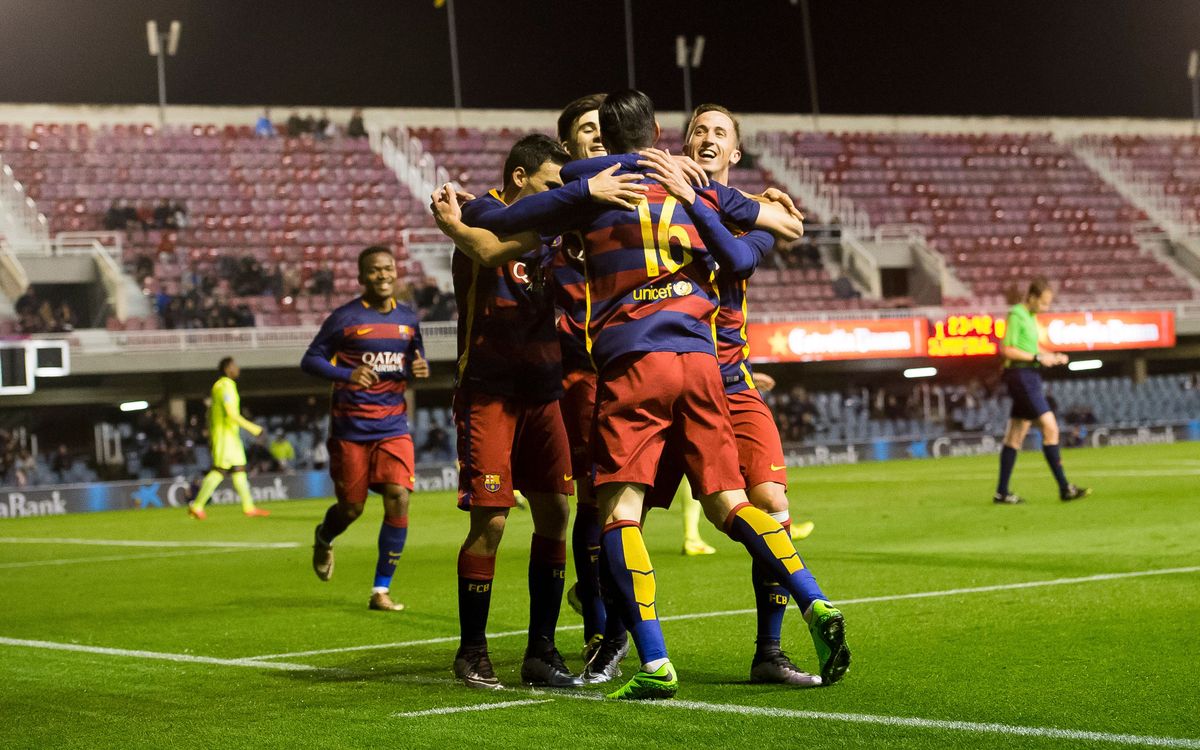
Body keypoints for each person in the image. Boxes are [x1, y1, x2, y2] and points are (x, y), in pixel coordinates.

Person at [431, 90, 848, 700]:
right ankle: (811, 598)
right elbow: (762, 240)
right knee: (729, 503)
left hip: (637, 364)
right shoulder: (693, 185)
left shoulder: (583, 191)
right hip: (694, 365)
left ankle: (653, 658)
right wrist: (748, 209)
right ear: (660, 133)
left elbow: (499, 220)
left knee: (616, 512)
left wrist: (575, 190)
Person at [441, 134, 642, 691]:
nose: (558, 194)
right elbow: (488, 251)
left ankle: (541, 651)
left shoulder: (550, 228)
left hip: (544, 388)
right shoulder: (480, 210)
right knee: (492, 518)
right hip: (489, 389)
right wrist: (456, 227)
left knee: (555, 513)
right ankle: (472, 652)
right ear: (519, 177)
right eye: (551, 184)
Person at [301, 245, 429, 612]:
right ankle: (324, 536)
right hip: (351, 428)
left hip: (393, 425)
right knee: (351, 509)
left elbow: (412, 363)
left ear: (395, 272)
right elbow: (310, 360)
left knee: (399, 496)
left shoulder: (408, 319)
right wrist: (346, 374)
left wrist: (418, 371)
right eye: (374, 270)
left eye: (387, 268)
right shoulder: (345, 318)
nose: (382, 275)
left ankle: (380, 590)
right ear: (361, 277)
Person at [994, 278, 1091, 504]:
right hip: (1020, 375)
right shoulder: (1017, 315)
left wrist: (1052, 355)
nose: (1046, 307)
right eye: (1044, 302)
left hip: (1029, 375)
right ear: (1032, 297)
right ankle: (1065, 488)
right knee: (1050, 427)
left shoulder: (1030, 317)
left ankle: (1002, 492)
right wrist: (1038, 357)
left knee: (1015, 435)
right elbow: (1007, 349)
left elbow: (1032, 347)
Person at [187, 358, 271, 519]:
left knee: (239, 469)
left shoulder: (221, 386)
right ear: (227, 369)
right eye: (234, 366)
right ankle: (197, 505)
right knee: (220, 470)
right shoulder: (225, 386)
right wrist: (254, 429)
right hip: (224, 435)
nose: (237, 368)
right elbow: (231, 413)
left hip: (229, 435)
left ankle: (249, 507)